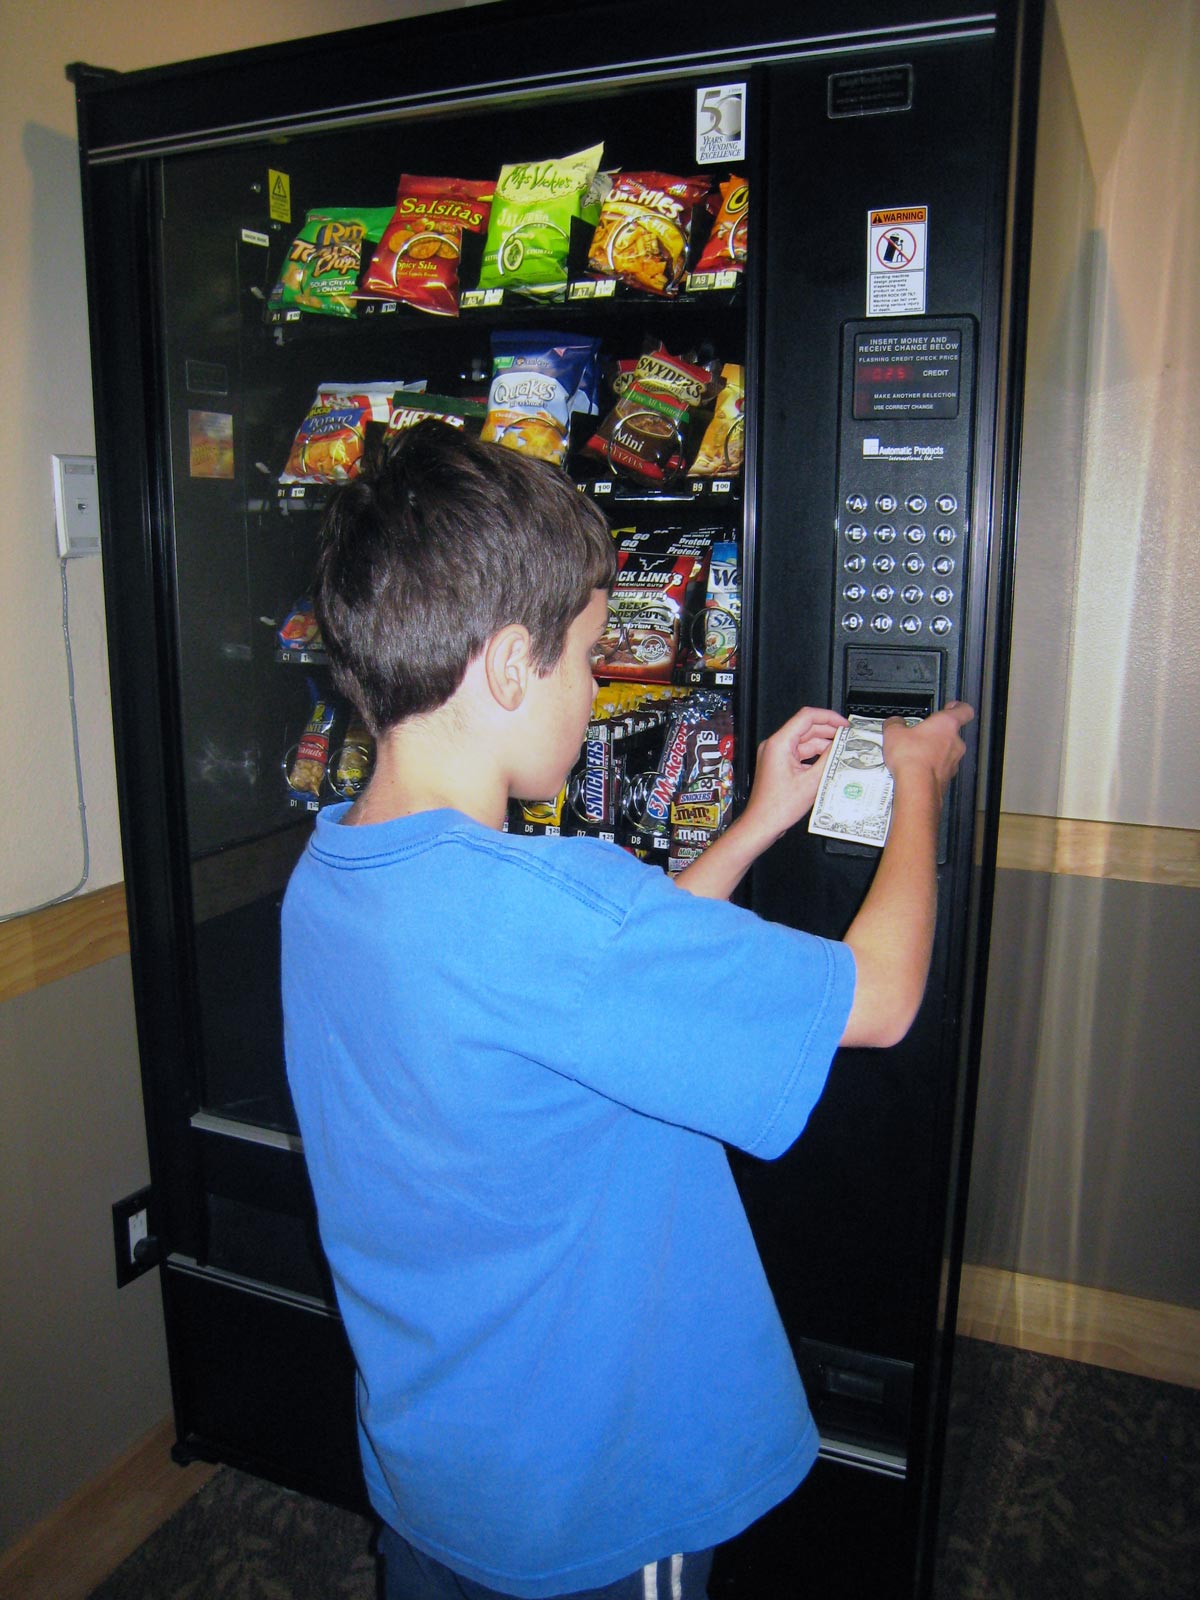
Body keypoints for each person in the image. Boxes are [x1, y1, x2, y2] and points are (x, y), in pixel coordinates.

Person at [281, 421, 973, 1600]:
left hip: (439, 1472)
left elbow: (593, 992)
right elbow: (883, 995)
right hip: (592, 1500)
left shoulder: (327, 877)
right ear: (508, 667)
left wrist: (752, 822)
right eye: (591, 657)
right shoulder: (558, 917)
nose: (599, 687)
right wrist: (917, 782)